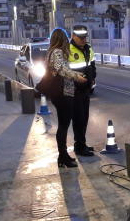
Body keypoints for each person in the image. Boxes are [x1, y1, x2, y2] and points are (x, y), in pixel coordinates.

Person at [45, 28, 88, 168]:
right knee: (63, 126)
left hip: (62, 93)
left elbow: (63, 69)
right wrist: (77, 77)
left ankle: (63, 156)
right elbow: (61, 70)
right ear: (62, 39)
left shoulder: (52, 51)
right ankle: (63, 157)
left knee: (63, 125)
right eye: (65, 39)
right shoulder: (57, 52)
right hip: (62, 94)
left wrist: (76, 74)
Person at [68, 25, 97, 157]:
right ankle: (79, 147)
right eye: (80, 38)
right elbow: (65, 71)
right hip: (74, 90)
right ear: (73, 36)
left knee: (84, 118)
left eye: (84, 37)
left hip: (85, 89)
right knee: (78, 119)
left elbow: (92, 64)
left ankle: (82, 144)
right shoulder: (68, 50)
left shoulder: (88, 49)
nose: (83, 40)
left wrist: (92, 78)